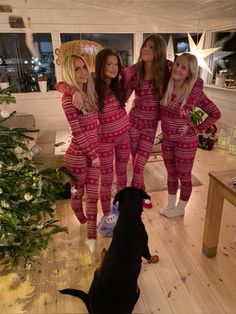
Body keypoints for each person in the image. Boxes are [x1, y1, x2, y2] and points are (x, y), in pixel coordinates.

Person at [56, 48, 130, 222]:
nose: (113, 68)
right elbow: (59, 84)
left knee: (122, 174)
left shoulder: (117, 83)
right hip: (103, 141)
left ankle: (121, 207)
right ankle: (107, 215)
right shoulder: (93, 83)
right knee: (105, 179)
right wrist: (72, 91)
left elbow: (140, 69)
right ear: (100, 65)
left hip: (124, 136)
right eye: (109, 64)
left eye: (116, 64)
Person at [160, 52, 221, 218]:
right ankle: (171, 204)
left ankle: (181, 208)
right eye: (177, 64)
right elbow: (161, 61)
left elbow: (215, 113)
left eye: (184, 67)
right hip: (167, 140)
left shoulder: (195, 92)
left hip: (185, 142)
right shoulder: (168, 85)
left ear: (189, 73)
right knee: (171, 174)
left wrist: (194, 128)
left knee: (184, 176)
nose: (178, 69)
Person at [56, 54, 100, 250]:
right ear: (69, 73)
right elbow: (77, 132)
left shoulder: (88, 92)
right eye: (76, 69)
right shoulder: (68, 100)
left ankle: (90, 227)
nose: (82, 72)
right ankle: (81, 219)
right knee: (77, 193)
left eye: (84, 67)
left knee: (93, 195)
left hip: (93, 153)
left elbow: (58, 83)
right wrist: (93, 155)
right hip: (77, 157)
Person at [122, 34, 172, 208]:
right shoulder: (135, 70)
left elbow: (188, 75)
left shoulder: (167, 68)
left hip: (151, 126)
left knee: (139, 164)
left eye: (151, 47)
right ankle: (141, 194)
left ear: (158, 51)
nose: (146, 49)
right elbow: (123, 92)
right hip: (134, 123)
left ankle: (137, 195)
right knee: (136, 161)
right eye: (145, 45)